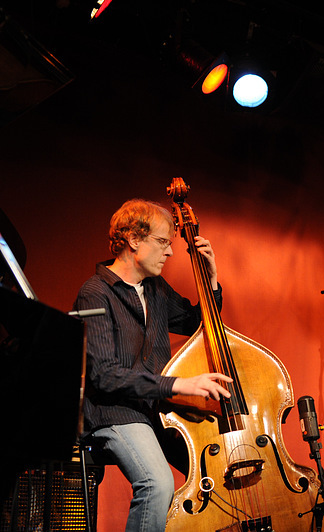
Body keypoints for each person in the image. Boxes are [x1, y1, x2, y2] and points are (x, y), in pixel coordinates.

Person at [73, 199, 233, 532]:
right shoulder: (95, 292)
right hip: (114, 411)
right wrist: (178, 384)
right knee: (157, 484)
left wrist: (212, 279)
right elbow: (103, 375)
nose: (170, 252)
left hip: (154, 410)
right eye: (162, 242)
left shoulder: (155, 289)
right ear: (133, 239)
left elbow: (195, 322)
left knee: (219, 472)